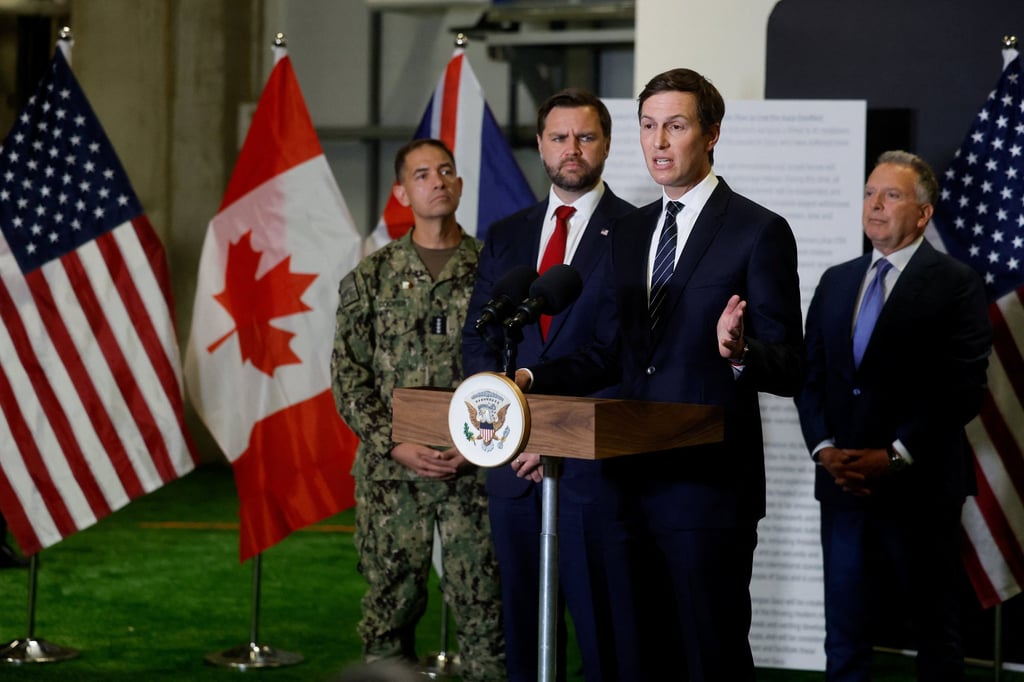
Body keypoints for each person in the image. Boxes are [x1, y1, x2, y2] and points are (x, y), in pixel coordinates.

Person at [521, 68, 806, 681]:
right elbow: (606, 352)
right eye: (648, 127)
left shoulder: (758, 231)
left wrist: (737, 351)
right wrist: (528, 379)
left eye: (674, 126)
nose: (658, 142)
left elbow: (790, 364)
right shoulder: (627, 231)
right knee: (636, 658)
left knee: (709, 658)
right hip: (626, 487)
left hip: (707, 490)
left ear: (711, 135)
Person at [795, 150, 992, 681]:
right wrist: (824, 449)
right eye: (869, 193)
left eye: (892, 195)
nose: (875, 205)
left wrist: (898, 455)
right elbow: (809, 376)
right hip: (842, 486)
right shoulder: (837, 280)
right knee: (845, 634)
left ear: (924, 214)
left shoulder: (956, 282)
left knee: (935, 634)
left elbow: (962, 388)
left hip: (920, 489)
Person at [462, 88, 637, 681]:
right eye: (559, 137)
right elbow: (478, 342)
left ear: (606, 144)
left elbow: (621, 354)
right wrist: (510, 435)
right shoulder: (508, 233)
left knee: (603, 639)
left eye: (585, 137)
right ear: (540, 146)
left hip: (592, 477)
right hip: (513, 473)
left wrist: (553, 437)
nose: (572, 150)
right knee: (525, 640)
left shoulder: (637, 233)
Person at [331, 138, 505, 681]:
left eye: (446, 171)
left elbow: (510, 366)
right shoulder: (370, 277)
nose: (437, 181)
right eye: (423, 173)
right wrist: (393, 442)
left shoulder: (494, 272)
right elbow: (347, 378)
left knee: (484, 612)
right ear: (401, 191)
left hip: (472, 470)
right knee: (390, 607)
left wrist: (478, 443)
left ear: (458, 183)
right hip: (392, 476)